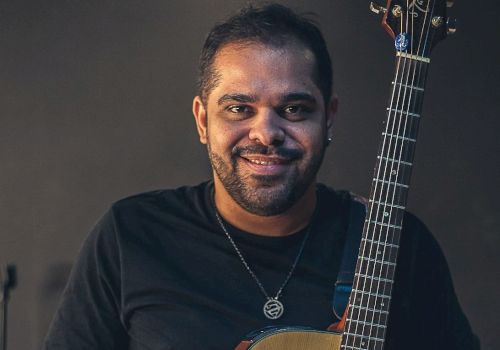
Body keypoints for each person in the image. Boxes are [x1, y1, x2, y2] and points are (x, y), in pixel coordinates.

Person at [43, 4, 479, 350]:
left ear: (328, 117)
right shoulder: (131, 236)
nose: (266, 133)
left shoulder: (398, 246)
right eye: (238, 108)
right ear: (202, 120)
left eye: (294, 109)